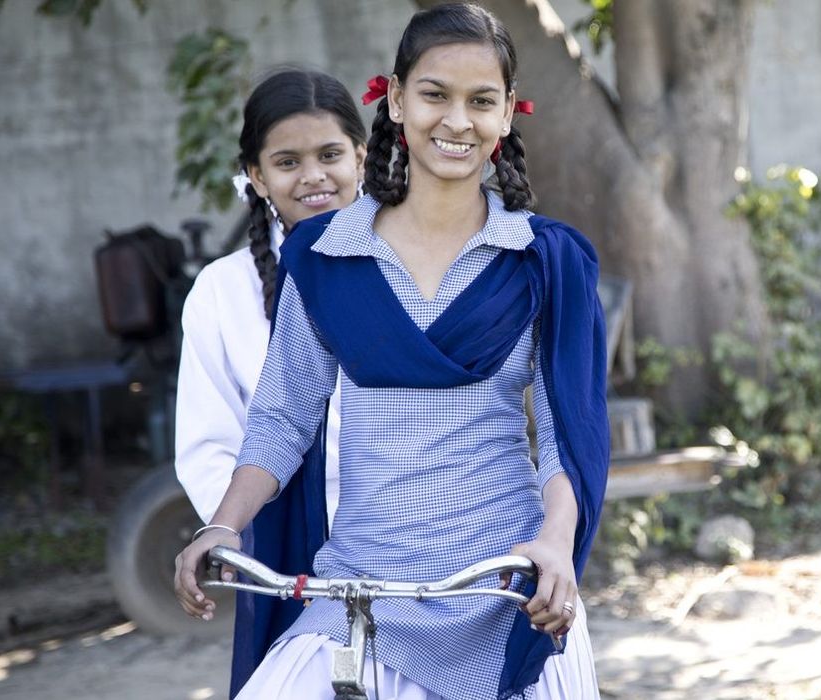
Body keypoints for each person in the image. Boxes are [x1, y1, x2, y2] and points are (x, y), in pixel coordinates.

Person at [173, 4, 609, 699]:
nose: (456, 121)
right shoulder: (323, 256)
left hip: (505, 584)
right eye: (435, 94)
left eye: (481, 101)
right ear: (396, 99)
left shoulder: (547, 260)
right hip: (359, 586)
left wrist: (554, 544)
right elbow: (283, 418)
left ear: (506, 118)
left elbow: (568, 436)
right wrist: (221, 524)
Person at [173, 68, 367, 696]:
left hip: (410, 537)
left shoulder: (411, 261)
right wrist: (238, 538)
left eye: (330, 155)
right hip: (280, 548)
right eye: (287, 161)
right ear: (256, 177)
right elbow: (209, 444)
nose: (313, 176)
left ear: (361, 158)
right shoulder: (221, 293)